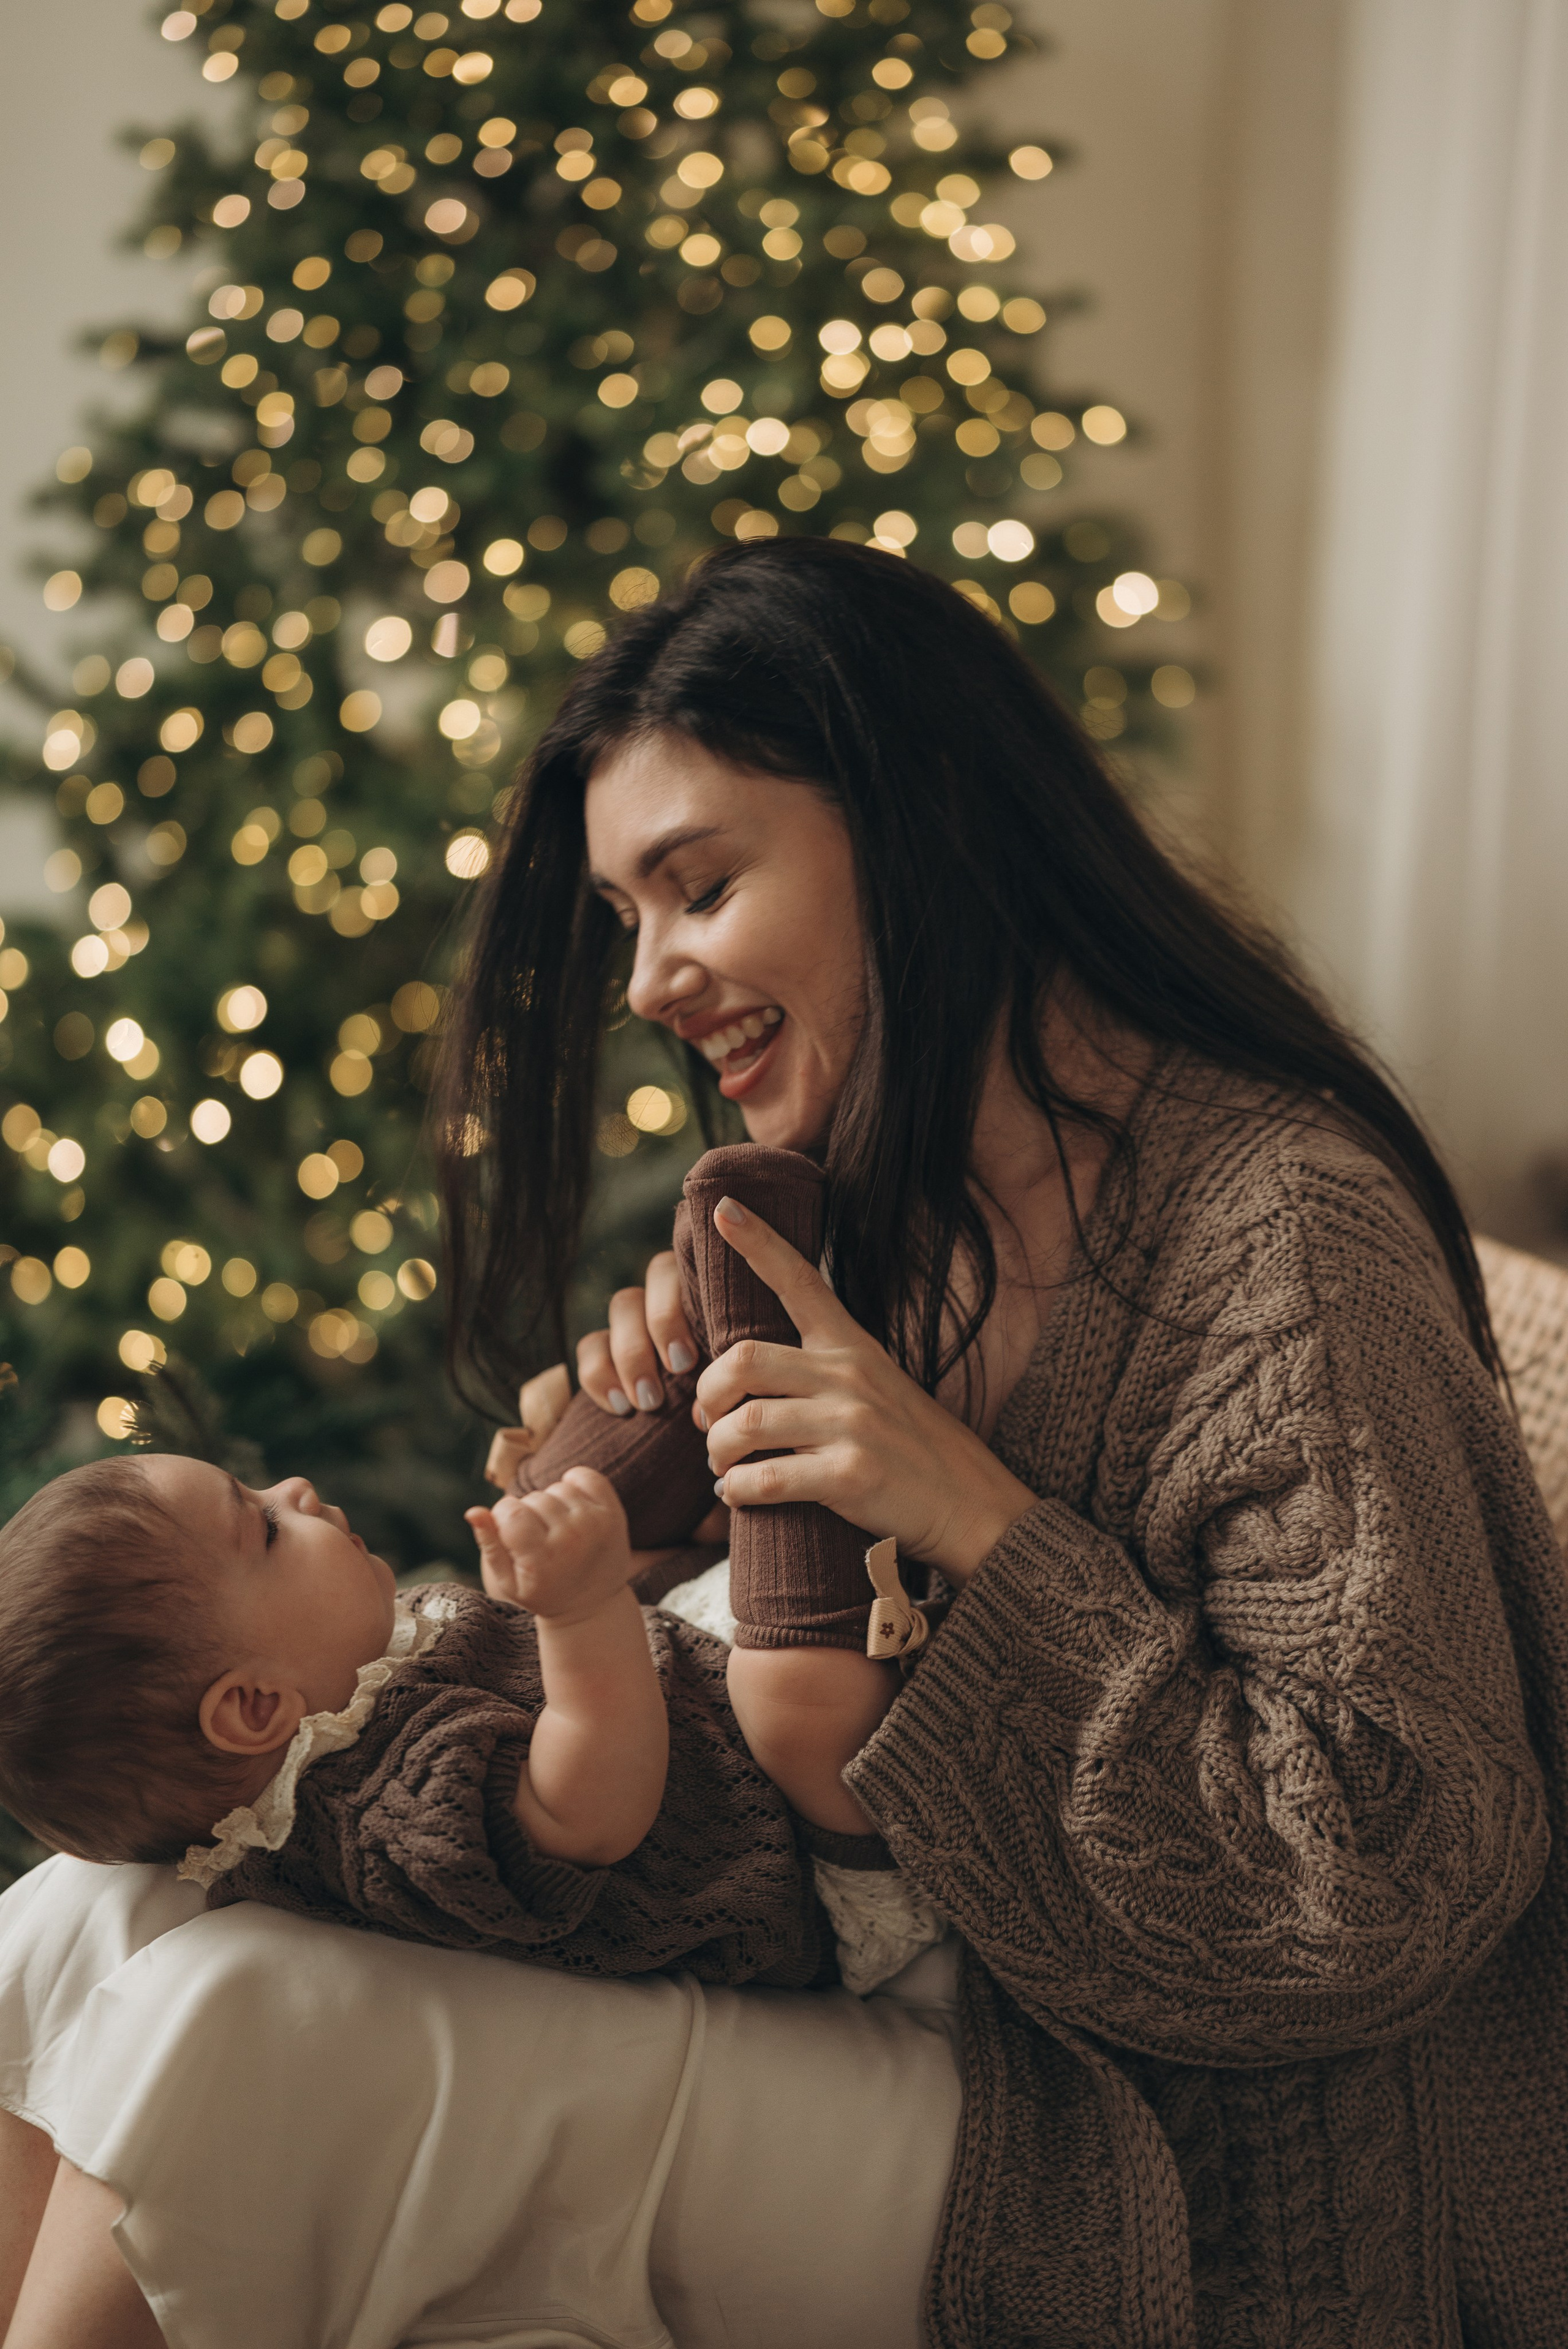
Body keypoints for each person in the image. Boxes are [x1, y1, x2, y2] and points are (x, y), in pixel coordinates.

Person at [3, 535, 1567, 2347]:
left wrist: (978, 1514)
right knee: (78, 1921)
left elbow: (1394, 1876)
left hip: (1157, 2137)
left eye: (699, 885)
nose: (654, 976)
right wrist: (639, 1511)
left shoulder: (1286, 1236)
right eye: (627, 920)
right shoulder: (872, 1212)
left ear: (920, 823)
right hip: (881, 1977)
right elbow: (770, 1701)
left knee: (239, 2023)